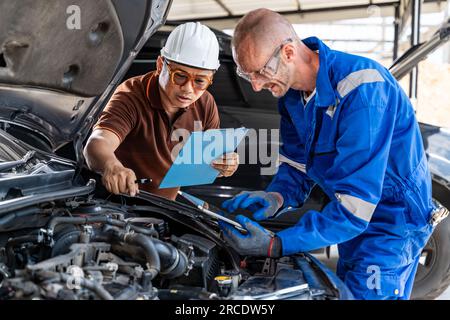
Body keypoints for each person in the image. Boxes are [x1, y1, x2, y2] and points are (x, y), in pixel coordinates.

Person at [219, 8, 437, 300]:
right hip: (349, 222)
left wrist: (277, 244)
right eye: (247, 75)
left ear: (287, 52)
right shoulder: (292, 98)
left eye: (261, 72)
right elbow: (297, 165)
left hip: (391, 222)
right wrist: (277, 197)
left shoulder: (362, 91)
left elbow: (355, 205)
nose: (257, 85)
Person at [84, 22, 239, 200]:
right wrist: (111, 166)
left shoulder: (206, 104)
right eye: (180, 76)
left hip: (163, 210)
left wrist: (223, 164)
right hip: (114, 206)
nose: (188, 89)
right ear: (160, 65)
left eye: (200, 81)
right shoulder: (131, 95)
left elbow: (209, 159)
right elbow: (97, 143)